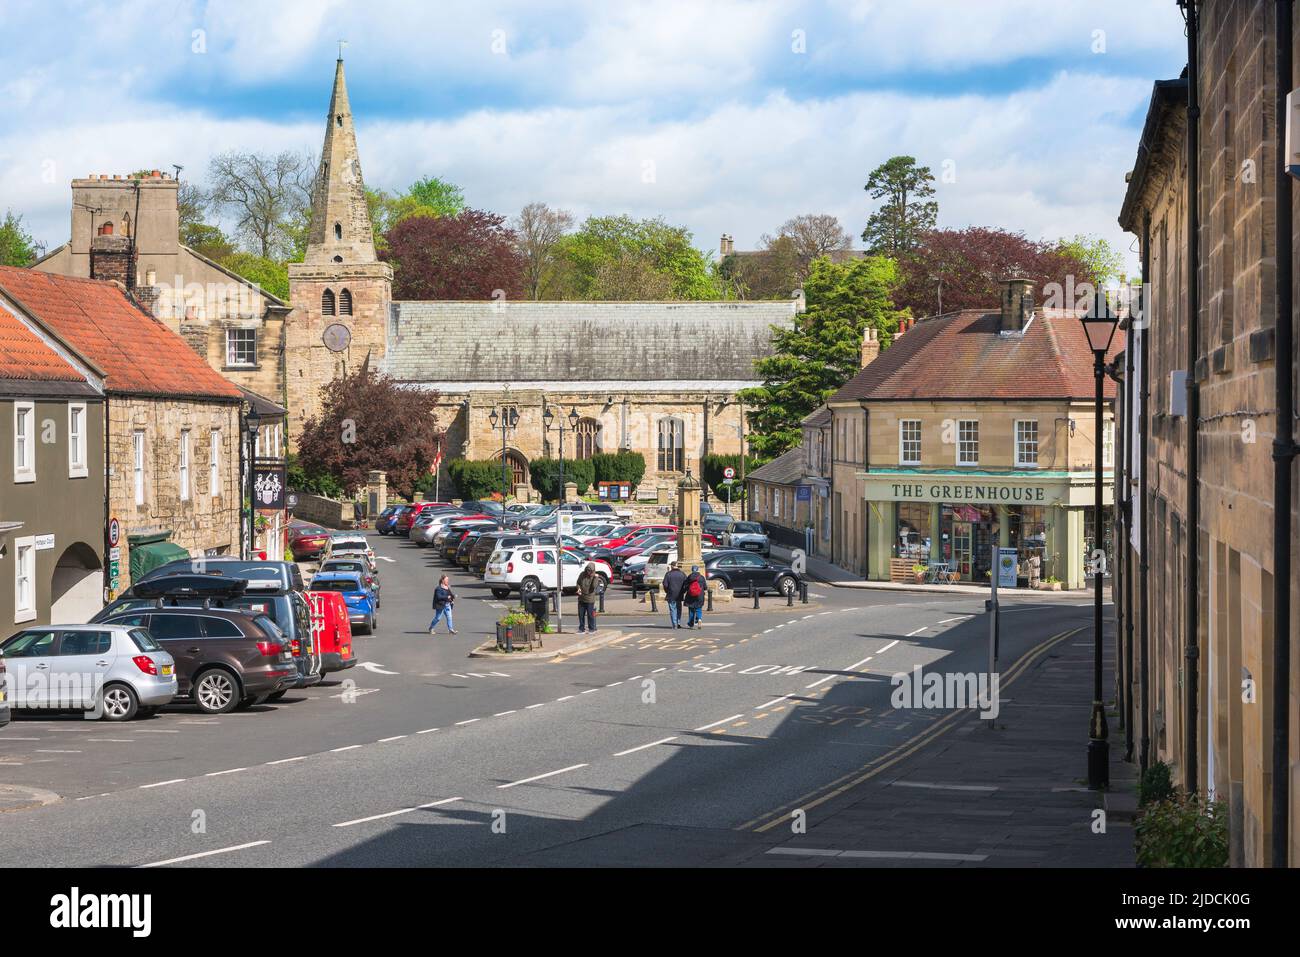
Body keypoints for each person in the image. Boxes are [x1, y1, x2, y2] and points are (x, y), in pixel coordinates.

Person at [576, 562, 600, 633]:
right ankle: (581, 628)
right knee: (581, 615)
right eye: (587, 570)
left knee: (590, 615)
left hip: (590, 599)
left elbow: (594, 586)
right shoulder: (582, 574)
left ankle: (591, 628)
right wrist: (578, 588)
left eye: (589, 570)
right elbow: (578, 583)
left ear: (592, 570)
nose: (588, 572)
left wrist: (596, 578)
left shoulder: (594, 576)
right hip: (581, 597)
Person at [662, 561, 687, 629]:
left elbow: (665, 584)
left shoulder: (668, 574)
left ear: (672, 566)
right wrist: (683, 591)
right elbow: (686, 584)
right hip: (679, 594)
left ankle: (674, 624)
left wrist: (667, 591)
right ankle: (678, 623)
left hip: (671, 594)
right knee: (679, 609)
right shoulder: (682, 574)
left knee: (673, 609)